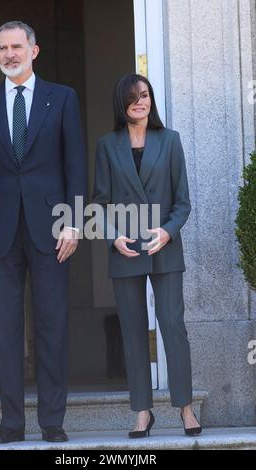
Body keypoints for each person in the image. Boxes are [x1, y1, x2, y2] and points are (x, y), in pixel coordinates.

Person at [0, 21, 87, 444]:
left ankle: (52, 421)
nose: (9, 54)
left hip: (52, 230)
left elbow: (76, 166)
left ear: (34, 50)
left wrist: (74, 221)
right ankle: (11, 423)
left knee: (52, 326)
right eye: (2, 48)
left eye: (17, 46)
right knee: (7, 331)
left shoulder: (63, 99)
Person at [92, 73, 202, 438]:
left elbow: (183, 202)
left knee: (173, 325)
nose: (141, 101)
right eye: (133, 97)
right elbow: (99, 203)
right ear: (121, 104)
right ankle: (142, 413)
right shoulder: (107, 146)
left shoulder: (170, 141)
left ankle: (185, 409)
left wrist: (168, 231)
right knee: (133, 331)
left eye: (146, 95)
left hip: (164, 247)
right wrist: (112, 237)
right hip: (125, 249)